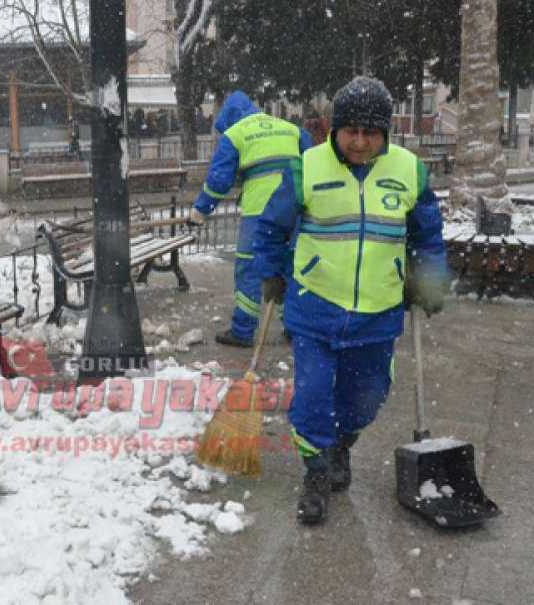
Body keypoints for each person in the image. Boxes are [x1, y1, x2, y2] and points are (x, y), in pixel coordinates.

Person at [253, 76, 447, 525]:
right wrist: (270, 273)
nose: (360, 142)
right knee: (313, 396)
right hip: (315, 306)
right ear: (335, 129)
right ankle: (316, 472)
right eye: (351, 131)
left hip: (377, 312)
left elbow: (427, 235)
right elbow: (270, 227)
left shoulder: (409, 171)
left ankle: (341, 445)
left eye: (371, 132)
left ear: (386, 133)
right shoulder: (306, 168)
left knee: (367, 396)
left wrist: (430, 280)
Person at [188, 90, 313, 347]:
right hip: (297, 207)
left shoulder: (235, 135)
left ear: (229, 120)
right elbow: (314, 162)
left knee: (250, 268)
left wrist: (200, 211)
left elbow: (218, 182)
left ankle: (243, 331)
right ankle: (294, 327)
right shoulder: (290, 128)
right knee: (290, 265)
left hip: (261, 211)